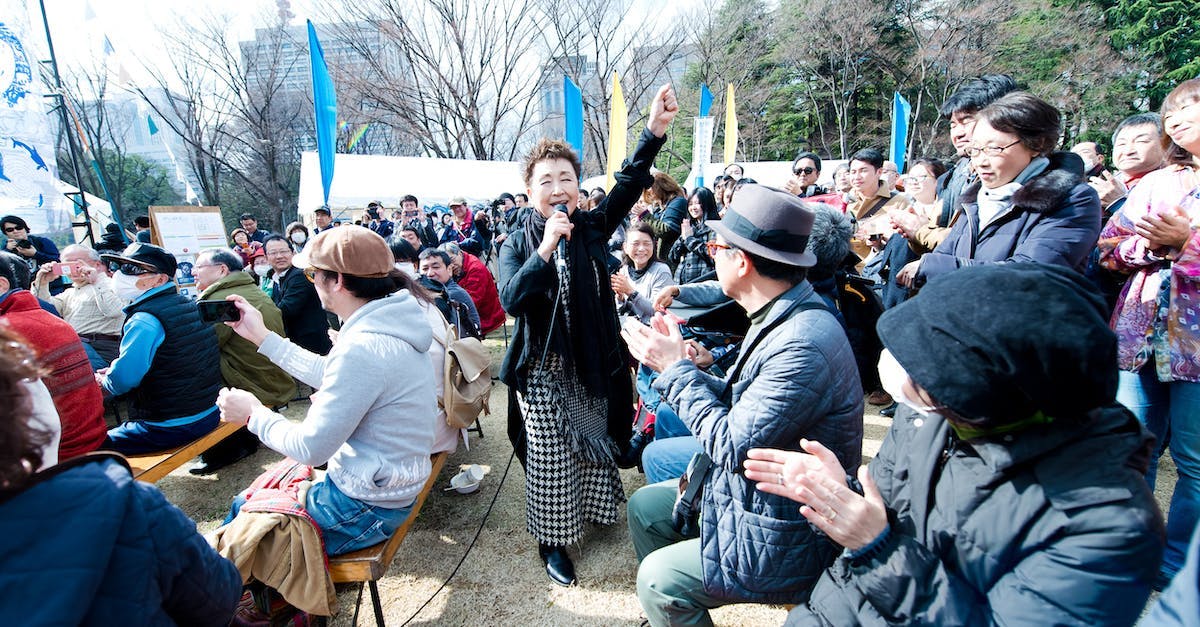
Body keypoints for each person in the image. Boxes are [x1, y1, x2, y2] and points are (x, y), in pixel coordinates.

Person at [745, 263, 1164, 626]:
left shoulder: (1106, 529)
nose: (904, 374)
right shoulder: (931, 417)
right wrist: (842, 495)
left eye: (926, 369)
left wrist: (878, 550)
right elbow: (891, 517)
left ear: (983, 397)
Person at [621, 184, 863, 627]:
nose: (709, 254)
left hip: (788, 522)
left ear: (743, 262)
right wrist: (687, 367)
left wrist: (674, 369)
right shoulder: (783, 310)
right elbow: (744, 403)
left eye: (716, 248)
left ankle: (671, 600)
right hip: (760, 491)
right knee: (644, 508)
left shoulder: (803, 341)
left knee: (658, 579)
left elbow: (731, 446)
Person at [498, 84, 677, 587]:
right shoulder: (515, 241)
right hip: (542, 372)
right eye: (547, 181)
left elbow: (629, 183)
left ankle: (593, 512)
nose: (559, 188)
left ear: (578, 186)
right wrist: (544, 249)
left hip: (593, 361)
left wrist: (653, 132)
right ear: (530, 190)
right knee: (550, 460)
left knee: (592, 443)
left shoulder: (595, 226)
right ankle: (552, 541)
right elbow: (512, 299)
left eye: (567, 179)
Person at [216, 226, 437, 555]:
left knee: (242, 514)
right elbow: (335, 373)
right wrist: (262, 336)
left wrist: (253, 414)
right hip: (387, 492)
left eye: (312, 274)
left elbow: (311, 448)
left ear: (338, 281)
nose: (311, 281)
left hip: (363, 508)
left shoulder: (364, 344)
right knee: (255, 501)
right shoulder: (390, 321)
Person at [0, 331, 242, 625]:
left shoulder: (144, 320)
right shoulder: (126, 502)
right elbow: (218, 600)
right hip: (199, 414)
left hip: (179, 419)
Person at [1097, 78, 1200, 590]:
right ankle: (1125, 548)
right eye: (1171, 110)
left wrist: (1188, 243)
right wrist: (1151, 249)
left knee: (1194, 462)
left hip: (1195, 349)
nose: (1176, 118)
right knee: (1129, 447)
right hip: (1140, 338)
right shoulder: (1160, 182)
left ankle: (1176, 563)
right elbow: (1108, 248)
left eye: (1190, 107)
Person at [898, 92, 1102, 289]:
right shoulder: (976, 200)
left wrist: (931, 266)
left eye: (994, 149)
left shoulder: (1074, 200)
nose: (980, 162)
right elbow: (945, 253)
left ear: (1036, 144)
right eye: (975, 150)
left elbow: (1030, 276)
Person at [97, 243, 222, 454]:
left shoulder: (145, 319)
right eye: (118, 267)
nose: (120, 274)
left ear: (161, 279)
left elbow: (123, 380)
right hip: (208, 411)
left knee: (88, 447)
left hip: (169, 425)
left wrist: (105, 380)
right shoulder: (189, 304)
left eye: (133, 269)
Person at [190, 248, 295, 475]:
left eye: (198, 267)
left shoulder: (220, 300)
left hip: (250, 380)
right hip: (271, 374)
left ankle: (227, 448)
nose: (193, 272)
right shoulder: (251, 289)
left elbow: (206, 347)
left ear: (222, 270)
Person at [0, 251, 106, 461]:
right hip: (94, 442)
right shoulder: (51, 319)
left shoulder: (8, 331)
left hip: (57, 457)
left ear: (2, 284)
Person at [32, 245, 126, 369]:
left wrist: (96, 280)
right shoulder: (70, 293)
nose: (74, 269)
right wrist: (42, 282)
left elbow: (114, 311)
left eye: (78, 264)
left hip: (102, 348)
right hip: (75, 346)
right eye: (67, 265)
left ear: (97, 265)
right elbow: (43, 312)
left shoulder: (111, 284)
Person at [262, 235, 331, 355]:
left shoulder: (299, 275)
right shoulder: (274, 277)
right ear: (266, 257)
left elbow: (286, 309)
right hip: (295, 342)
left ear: (293, 253)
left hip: (310, 344)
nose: (279, 256)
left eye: (283, 251)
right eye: (273, 253)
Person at [1089, 112, 1167, 216]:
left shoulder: (1178, 183)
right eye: (1121, 143)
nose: (1128, 151)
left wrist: (1118, 203)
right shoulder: (1103, 184)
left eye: (1141, 141)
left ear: (1166, 145)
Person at [845, 148, 912, 265]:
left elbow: (906, 244)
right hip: (846, 268)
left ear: (879, 172)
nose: (857, 176)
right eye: (853, 172)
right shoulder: (844, 202)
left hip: (879, 269)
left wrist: (879, 241)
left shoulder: (899, 202)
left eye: (863, 171)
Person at [437, 241, 505, 334]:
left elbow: (472, 301)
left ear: (459, 253)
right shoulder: (461, 263)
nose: (451, 266)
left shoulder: (475, 269)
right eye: (447, 263)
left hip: (487, 319)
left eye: (452, 260)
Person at [612, 224, 674, 325]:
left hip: (653, 329)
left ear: (654, 245)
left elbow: (658, 311)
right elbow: (620, 310)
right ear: (625, 247)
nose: (641, 248)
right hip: (630, 327)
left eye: (646, 244)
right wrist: (620, 298)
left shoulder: (661, 271)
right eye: (635, 244)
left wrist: (630, 292)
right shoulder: (624, 270)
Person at [419, 248, 482, 332]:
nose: (430, 273)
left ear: (449, 269)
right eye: (425, 269)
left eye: (435, 267)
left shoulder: (452, 294)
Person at [669, 187, 719, 284]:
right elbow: (673, 257)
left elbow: (713, 255)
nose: (693, 208)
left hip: (703, 284)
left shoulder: (715, 228)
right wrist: (682, 238)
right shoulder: (690, 227)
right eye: (690, 204)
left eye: (697, 203)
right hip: (682, 283)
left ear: (707, 203)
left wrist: (689, 239)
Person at [634, 172, 688, 262]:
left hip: (671, 258)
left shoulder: (678, 202)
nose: (649, 191)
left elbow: (667, 230)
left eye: (651, 187)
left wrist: (644, 215)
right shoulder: (660, 206)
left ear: (660, 187)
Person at [1, 215, 60, 291]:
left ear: (25, 228)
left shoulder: (42, 242)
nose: (15, 231)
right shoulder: (6, 251)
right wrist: (7, 251)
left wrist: (36, 254)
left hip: (50, 286)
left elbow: (57, 262)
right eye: (10, 230)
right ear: (6, 233)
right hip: (23, 289)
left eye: (19, 227)